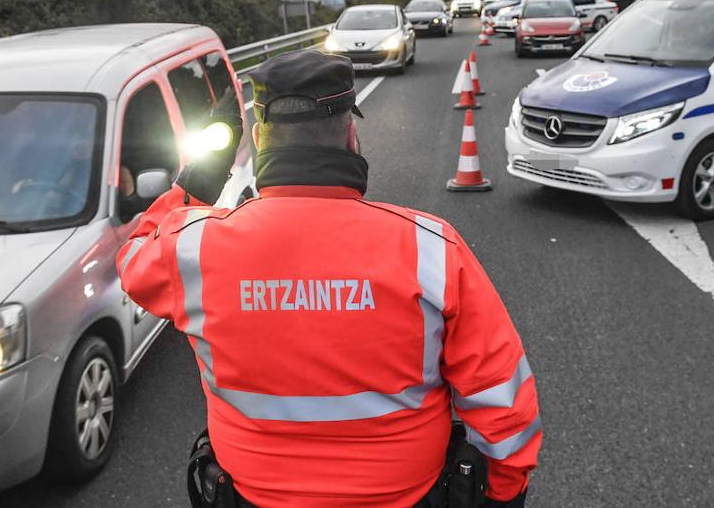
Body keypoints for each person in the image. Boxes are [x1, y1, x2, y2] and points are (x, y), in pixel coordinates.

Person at [117, 51, 540, 507]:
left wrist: (201, 176)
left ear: (259, 140)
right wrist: (501, 494)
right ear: (351, 135)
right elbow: (502, 398)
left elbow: (134, 257)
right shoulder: (432, 247)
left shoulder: (191, 250)